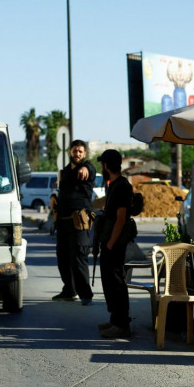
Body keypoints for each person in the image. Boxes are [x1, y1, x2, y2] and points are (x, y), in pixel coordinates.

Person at [50, 140, 96, 305]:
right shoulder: (64, 172)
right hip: (63, 221)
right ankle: (69, 290)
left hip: (79, 221)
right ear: (70, 152)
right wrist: (54, 196)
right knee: (63, 258)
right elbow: (60, 189)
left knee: (79, 257)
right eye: (75, 151)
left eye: (80, 152)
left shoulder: (87, 168)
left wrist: (86, 168)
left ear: (84, 154)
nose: (77, 154)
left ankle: (86, 295)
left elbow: (89, 170)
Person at [95, 149, 134, 338]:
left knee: (117, 283)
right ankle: (115, 320)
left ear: (105, 165)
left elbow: (121, 219)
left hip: (115, 243)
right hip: (110, 241)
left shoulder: (122, 186)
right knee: (110, 282)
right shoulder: (114, 184)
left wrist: (110, 243)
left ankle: (121, 324)